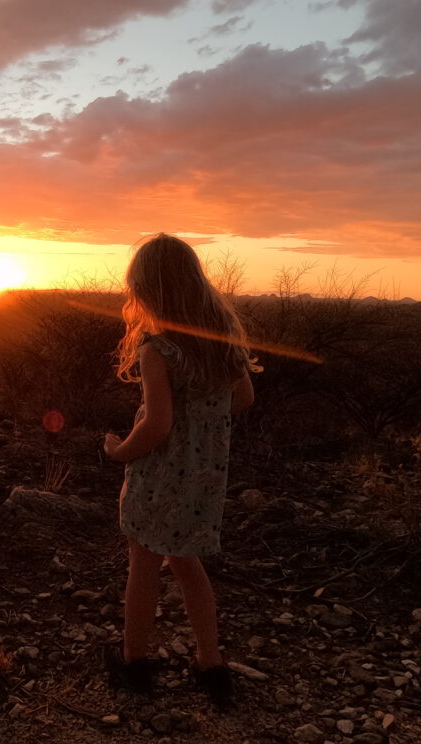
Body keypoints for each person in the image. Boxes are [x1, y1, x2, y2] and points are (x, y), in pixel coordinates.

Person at [103, 233, 256, 705]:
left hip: (159, 477)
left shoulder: (158, 349)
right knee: (188, 563)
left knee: (144, 563)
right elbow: (244, 398)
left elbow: (158, 424)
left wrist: (120, 451)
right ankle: (211, 664)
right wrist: (206, 426)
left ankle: (134, 662)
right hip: (205, 477)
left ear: (147, 291)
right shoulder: (221, 343)